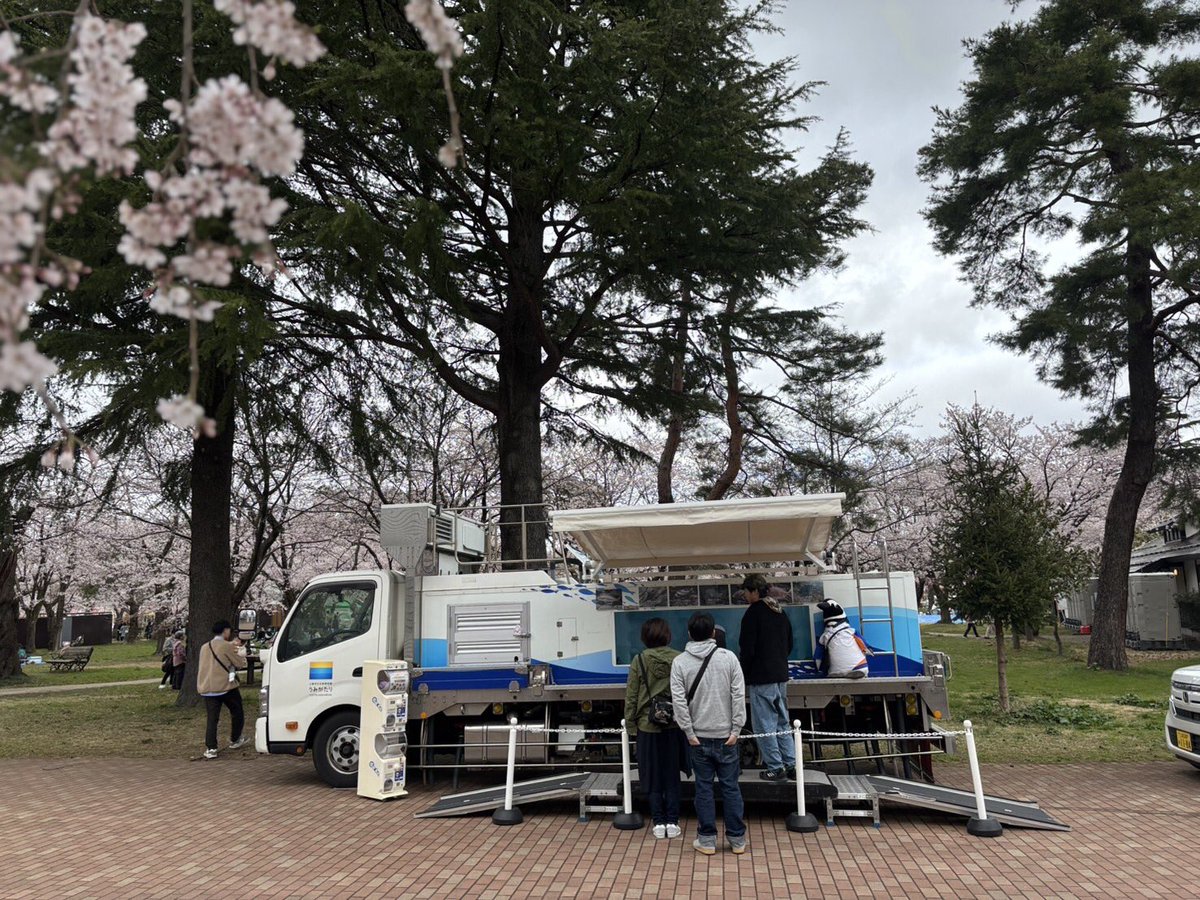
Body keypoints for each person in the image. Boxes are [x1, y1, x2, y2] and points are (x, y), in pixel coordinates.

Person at [670, 612, 747, 856]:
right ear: (713, 633)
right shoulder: (729, 658)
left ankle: (707, 840)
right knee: (731, 788)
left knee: (703, 789)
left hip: (698, 738)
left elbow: (678, 701)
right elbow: (738, 695)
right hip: (727, 736)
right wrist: (736, 729)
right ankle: (737, 840)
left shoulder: (680, 662)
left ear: (689, 634)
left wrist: (689, 732)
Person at [623, 617, 688, 840]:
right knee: (672, 773)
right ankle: (673, 821)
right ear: (667, 635)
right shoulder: (679, 658)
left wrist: (631, 726)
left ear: (645, 637)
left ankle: (658, 822)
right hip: (673, 725)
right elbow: (686, 692)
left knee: (651, 775)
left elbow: (631, 696)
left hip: (646, 726)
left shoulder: (639, 660)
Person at [737, 574, 796, 783]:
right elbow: (789, 643)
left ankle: (775, 767)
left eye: (746, 592)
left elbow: (747, 648)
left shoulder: (753, 613)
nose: (745, 596)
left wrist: (744, 673)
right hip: (781, 675)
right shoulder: (779, 611)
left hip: (761, 676)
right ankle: (791, 765)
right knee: (782, 722)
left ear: (754, 591)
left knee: (764, 724)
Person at [197, 620, 248, 759]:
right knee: (237, 711)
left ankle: (211, 748)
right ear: (225, 630)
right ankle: (235, 739)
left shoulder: (204, 647)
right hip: (225, 686)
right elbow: (239, 663)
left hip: (208, 687)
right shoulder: (227, 646)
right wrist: (240, 652)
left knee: (212, 719)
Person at [815, 601, 869, 678]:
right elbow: (863, 644)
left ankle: (837, 671)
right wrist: (868, 649)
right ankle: (857, 669)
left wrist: (817, 665)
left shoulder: (825, 635)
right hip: (857, 667)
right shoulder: (850, 631)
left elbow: (818, 654)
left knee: (834, 668)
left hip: (835, 670)